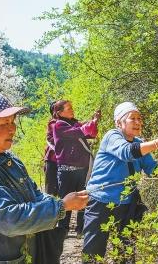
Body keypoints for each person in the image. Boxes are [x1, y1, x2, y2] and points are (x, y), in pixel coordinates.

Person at [0, 91, 89, 263]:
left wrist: (62, 202)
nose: (12, 129)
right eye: (4, 123)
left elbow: (34, 194)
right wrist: (61, 206)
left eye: (13, 121)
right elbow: (10, 219)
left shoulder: (9, 159)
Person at [83, 101, 158, 262]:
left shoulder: (139, 143)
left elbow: (153, 170)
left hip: (127, 203)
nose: (137, 122)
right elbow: (127, 153)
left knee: (126, 252)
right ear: (119, 122)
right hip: (100, 200)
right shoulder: (112, 136)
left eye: (139, 119)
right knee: (93, 251)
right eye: (132, 118)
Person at [51, 100, 101, 236]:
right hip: (66, 171)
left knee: (83, 198)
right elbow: (78, 132)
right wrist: (91, 122)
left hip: (82, 168)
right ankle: (62, 230)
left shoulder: (74, 123)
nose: (72, 110)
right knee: (66, 200)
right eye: (69, 109)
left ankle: (81, 229)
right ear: (60, 112)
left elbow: (91, 134)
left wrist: (94, 122)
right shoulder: (59, 125)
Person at [44, 101, 58, 196]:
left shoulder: (70, 123)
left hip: (64, 162)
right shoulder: (53, 123)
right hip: (52, 161)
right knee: (50, 190)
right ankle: (49, 210)